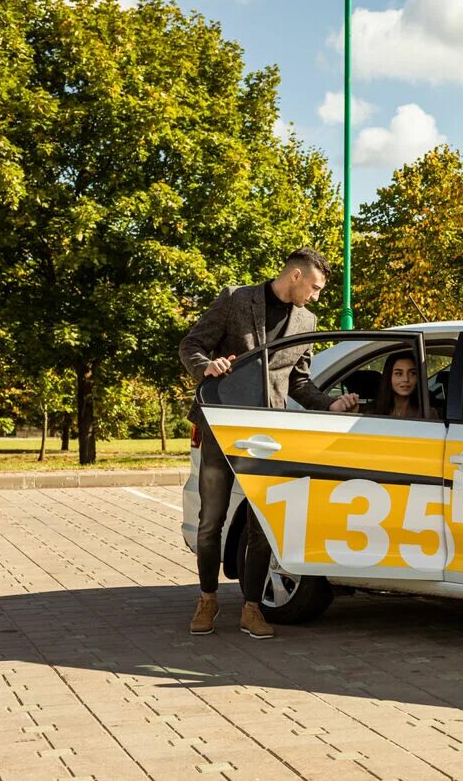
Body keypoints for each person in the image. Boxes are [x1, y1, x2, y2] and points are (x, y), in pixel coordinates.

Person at [178, 249, 359, 639]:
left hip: (268, 437)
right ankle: (207, 600)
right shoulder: (236, 299)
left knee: (262, 524)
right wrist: (206, 366)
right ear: (295, 276)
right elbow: (191, 345)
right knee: (211, 521)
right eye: (315, 287)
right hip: (222, 428)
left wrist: (329, 404)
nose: (316, 296)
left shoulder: (307, 321)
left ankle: (251, 608)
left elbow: (299, 383)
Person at [366, 350, 439, 419]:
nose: (406, 379)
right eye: (399, 373)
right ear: (388, 376)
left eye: (412, 373)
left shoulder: (428, 414)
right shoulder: (371, 413)